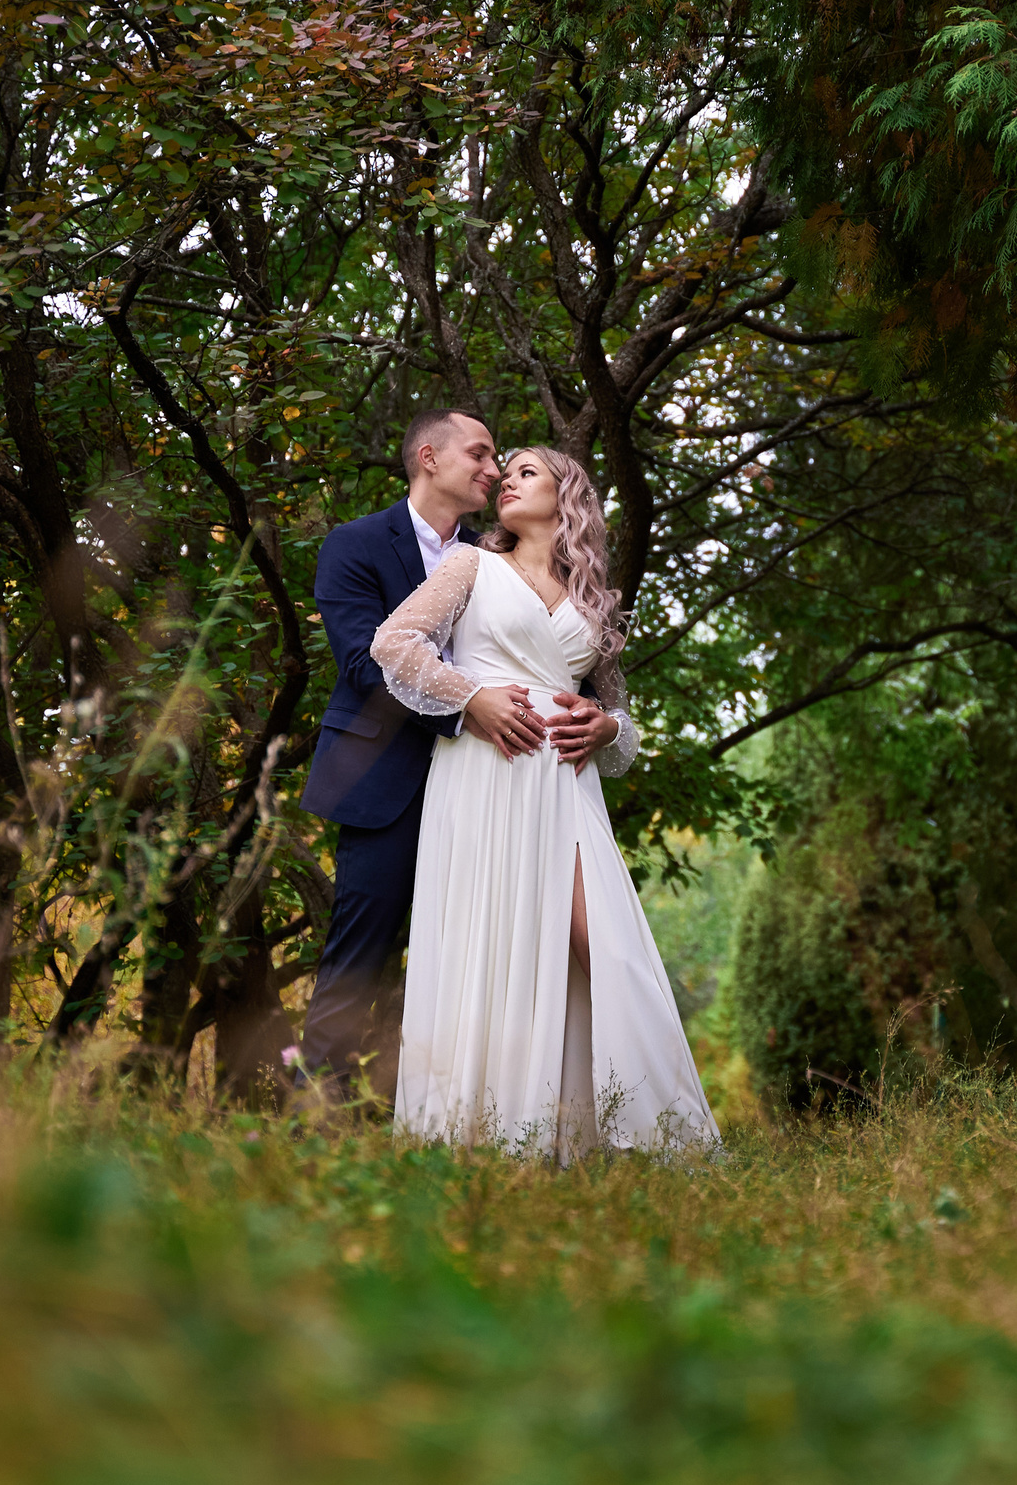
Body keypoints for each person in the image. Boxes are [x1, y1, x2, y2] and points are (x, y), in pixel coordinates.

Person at [370, 446, 718, 1159]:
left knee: (610, 946)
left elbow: (622, 720)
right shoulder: (470, 565)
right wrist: (474, 696)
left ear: (568, 496)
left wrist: (608, 725)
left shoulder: (596, 599)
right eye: (506, 471)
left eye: (527, 471)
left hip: (565, 785)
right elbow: (394, 643)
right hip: (485, 774)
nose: (505, 479)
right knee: (492, 940)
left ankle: (667, 1139)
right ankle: (486, 1137)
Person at [298, 411, 625, 1101]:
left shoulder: (496, 555)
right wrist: (469, 703)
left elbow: (575, 674)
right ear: (428, 457)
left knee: (488, 950)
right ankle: (318, 1121)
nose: (492, 468)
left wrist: (606, 725)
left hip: (499, 783)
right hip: (385, 779)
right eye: (479, 455)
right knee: (363, 955)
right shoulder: (354, 544)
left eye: (500, 461)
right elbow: (364, 662)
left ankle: (502, 1101)